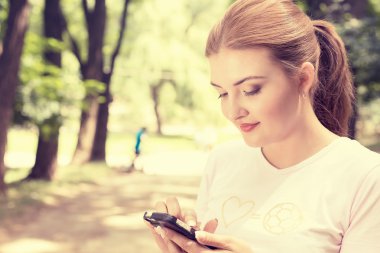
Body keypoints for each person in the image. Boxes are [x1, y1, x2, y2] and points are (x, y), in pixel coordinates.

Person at [145, 0, 380, 252]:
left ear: (303, 79)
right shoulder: (222, 161)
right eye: (222, 93)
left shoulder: (366, 178)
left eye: (250, 90)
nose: (233, 111)